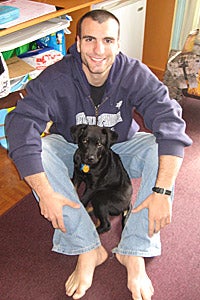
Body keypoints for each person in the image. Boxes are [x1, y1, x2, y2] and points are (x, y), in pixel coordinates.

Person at [5, 9, 192, 300]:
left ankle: (134, 251)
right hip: (73, 145)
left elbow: (170, 121)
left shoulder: (134, 73)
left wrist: (163, 192)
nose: (98, 50)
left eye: (107, 40)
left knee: (161, 149)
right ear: (77, 42)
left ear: (118, 44)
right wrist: (45, 191)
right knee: (42, 150)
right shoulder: (56, 77)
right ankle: (87, 247)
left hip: (124, 145)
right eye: (90, 39)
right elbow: (20, 125)